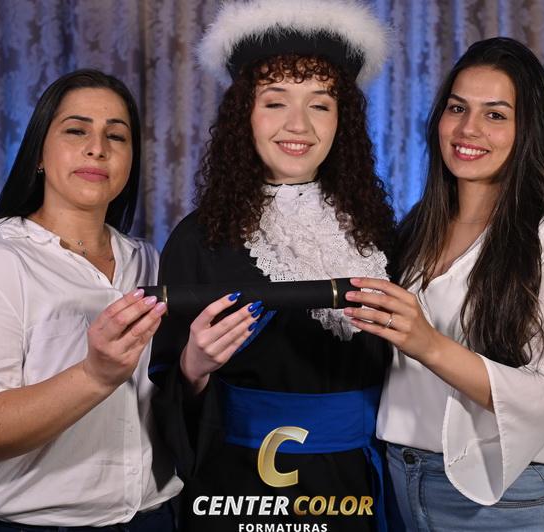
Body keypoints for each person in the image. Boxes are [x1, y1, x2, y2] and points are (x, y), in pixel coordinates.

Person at [148, 1, 396, 530]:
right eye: (275, 101)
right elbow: (161, 389)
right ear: (245, 115)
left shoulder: (378, 234)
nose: (298, 124)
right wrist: (193, 367)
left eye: (320, 104)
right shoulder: (198, 238)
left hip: (358, 484)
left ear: (343, 120)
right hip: (239, 487)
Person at [343, 37, 544, 531]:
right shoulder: (414, 231)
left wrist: (429, 344)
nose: (469, 129)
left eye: (495, 114)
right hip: (398, 483)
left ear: (528, 131)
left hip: (504, 501)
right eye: (457, 108)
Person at [0, 69, 182, 531]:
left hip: (150, 519)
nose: (97, 148)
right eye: (76, 130)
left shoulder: (150, 261)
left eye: (116, 136)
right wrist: (94, 375)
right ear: (39, 153)